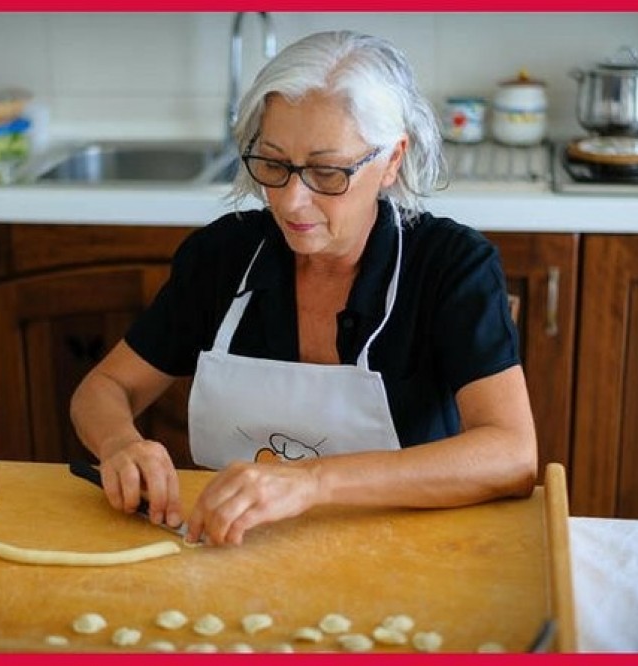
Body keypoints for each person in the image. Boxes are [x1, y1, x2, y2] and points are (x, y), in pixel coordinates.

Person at [70, 30, 537, 547]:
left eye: (327, 171)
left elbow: (511, 455)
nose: (292, 202)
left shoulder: (451, 267)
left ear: (391, 160)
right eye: (273, 164)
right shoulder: (224, 257)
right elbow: (104, 388)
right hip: (232, 550)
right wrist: (118, 444)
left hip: (408, 552)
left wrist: (313, 482)